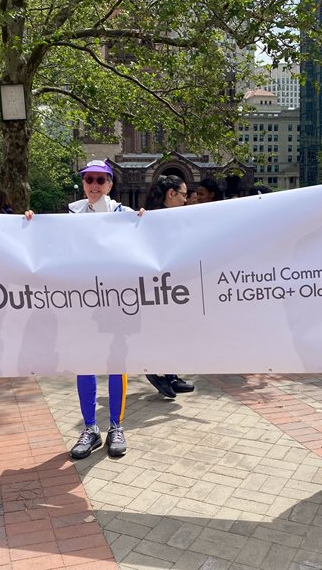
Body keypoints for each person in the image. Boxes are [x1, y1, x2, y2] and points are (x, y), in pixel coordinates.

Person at [64, 160, 141, 459]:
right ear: (83, 183)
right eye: (88, 180)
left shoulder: (124, 215)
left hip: (115, 301)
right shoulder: (71, 214)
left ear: (110, 184)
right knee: (85, 363)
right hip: (82, 301)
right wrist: (31, 222)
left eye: (100, 180)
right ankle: (90, 429)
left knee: (115, 363)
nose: (94, 185)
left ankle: (116, 427)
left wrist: (144, 223)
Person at [142, 176, 196, 399]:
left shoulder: (174, 217)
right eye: (183, 194)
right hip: (158, 285)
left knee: (172, 329)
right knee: (161, 329)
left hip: (173, 283)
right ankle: (156, 371)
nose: (185, 200)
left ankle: (170, 374)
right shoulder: (149, 218)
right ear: (171, 193)